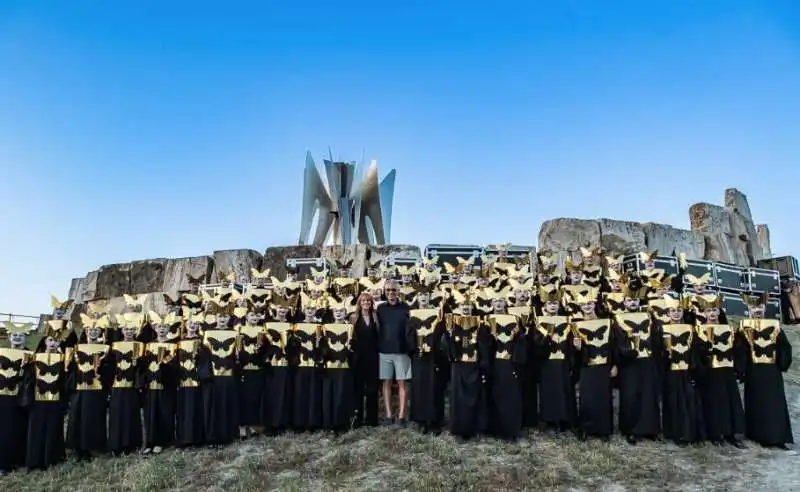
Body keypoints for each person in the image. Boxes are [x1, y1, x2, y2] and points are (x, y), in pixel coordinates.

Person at [739, 293, 794, 449]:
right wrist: (742, 368)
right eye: (754, 307)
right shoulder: (743, 328)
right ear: (749, 308)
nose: (757, 310)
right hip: (754, 371)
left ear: (765, 308)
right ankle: (760, 436)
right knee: (757, 402)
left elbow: (784, 347)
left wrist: (781, 361)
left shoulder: (775, 327)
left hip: (771, 371)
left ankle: (778, 437)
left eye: (760, 307)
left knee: (775, 403)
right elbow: (740, 349)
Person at [0, 322, 35, 475]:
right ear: (9, 337)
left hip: (20, 399)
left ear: (25, 338)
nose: (18, 337)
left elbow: (32, 377)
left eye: (21, 335)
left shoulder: (30, 356)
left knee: (17, 429)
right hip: (2, 396)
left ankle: (16, 461)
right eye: (15, 335)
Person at [376, 279, 412, 426]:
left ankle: (402, 416)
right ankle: (389, 415)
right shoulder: (380, 309)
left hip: (402, 351)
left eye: (393, 290)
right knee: (386, 382)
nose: (391, 292)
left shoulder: (406, 308)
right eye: (388, 290)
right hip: (384, 351)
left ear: (398, 292)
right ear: (385, 292)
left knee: (403, 383)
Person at [351, 292, 380, 427]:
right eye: (363, 301)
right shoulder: (353, 318)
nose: (366, 303)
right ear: (359, 303)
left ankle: (372, 419)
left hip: (373, 357)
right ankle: (357, 418)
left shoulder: (376, 317)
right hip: (358, 358)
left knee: (372, 389)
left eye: (368, 301)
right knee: (358, 389)